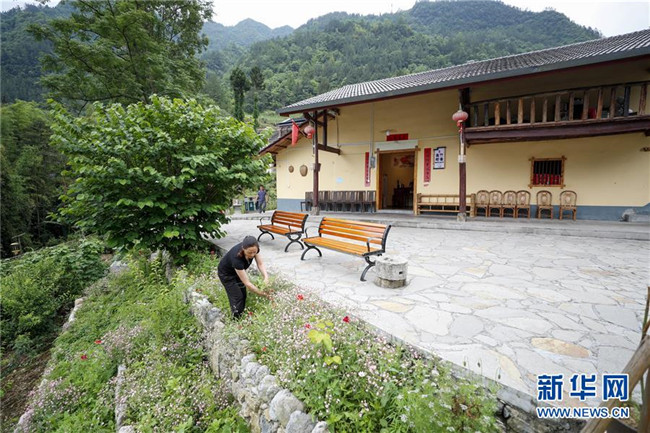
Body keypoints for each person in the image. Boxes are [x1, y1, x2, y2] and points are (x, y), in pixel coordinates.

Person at [217, 236, 271, 319]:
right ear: (243, 248)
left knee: (243, 295)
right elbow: (247, 283)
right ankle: (235, 320)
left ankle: (241, 315)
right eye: (249, 253)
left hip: (238, 272)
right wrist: (263, 294)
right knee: (237, 297)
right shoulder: (237, 258)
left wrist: (266, 277)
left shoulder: (254, 249)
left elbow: (260, 264)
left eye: (254, 252)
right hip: (226, 275)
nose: (252, 255)